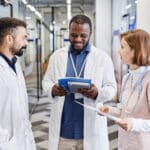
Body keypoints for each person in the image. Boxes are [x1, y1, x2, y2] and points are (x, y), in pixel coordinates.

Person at [42, 14, 116, 150]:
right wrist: (53, 89)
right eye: (73, 35)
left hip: (91, 131)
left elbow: (111, 88)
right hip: (64, 132)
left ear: (91, 33)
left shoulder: (102, 58)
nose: (78, 39)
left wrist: (97, 92)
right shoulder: (57, 56)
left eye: (83, 35)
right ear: (69, 33)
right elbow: (46, 82)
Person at [100, 29, 150, 150]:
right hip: (125, 143)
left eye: (122, 47)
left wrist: (134, 124)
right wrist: (110, 110)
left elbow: (135, 121)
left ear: (136, 51)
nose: (118, 51)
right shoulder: (128, 77)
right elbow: (127, 111)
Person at [0, 17, 36, 150]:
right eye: (23, 38)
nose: (26, 43)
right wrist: (5, 142)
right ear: (9, 39)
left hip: (23, 140)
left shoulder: (16, 64)